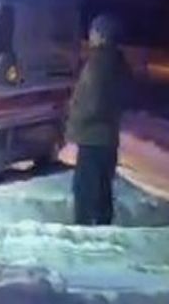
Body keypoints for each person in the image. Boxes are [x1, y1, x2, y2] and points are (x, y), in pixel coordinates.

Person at [66, 13, 131, 225]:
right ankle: (103, 231)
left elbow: (91, 101)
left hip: (91, 137)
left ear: (102, 35)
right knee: (103, 191)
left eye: (93, 31)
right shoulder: (119, 63)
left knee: (84, 192)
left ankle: (83, 232)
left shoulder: (97, 63)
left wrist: (75, 118)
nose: (90, 35)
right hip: (109, 138)